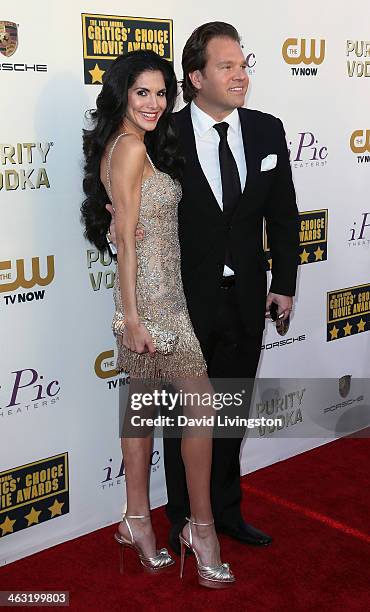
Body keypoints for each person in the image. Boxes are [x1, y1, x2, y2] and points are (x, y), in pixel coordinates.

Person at [107, 22, 300, 554]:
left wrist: (284, 283)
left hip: (246, 299)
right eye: (228, 66)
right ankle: (182, 519)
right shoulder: (161, 133)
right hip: (181, 302)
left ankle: (224, 512)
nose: (241, 75)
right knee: (178, 418)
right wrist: (113, 218)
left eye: (244, 65)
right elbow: (122, 188)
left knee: (228, 414)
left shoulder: (266, 129)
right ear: (196, 77)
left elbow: (283, 214)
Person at [81, 49, 235, 588]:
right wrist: (132, 317)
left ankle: (138, 521)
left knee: (142, 410)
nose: (153, 103)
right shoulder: (127, 149)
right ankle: (203, 527)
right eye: (142, 92)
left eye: (161, 93)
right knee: (201, 407)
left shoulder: (130, 146)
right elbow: (124, 237)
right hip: (153, 307)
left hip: (156, 298)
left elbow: (124, 224)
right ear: (122, 93)